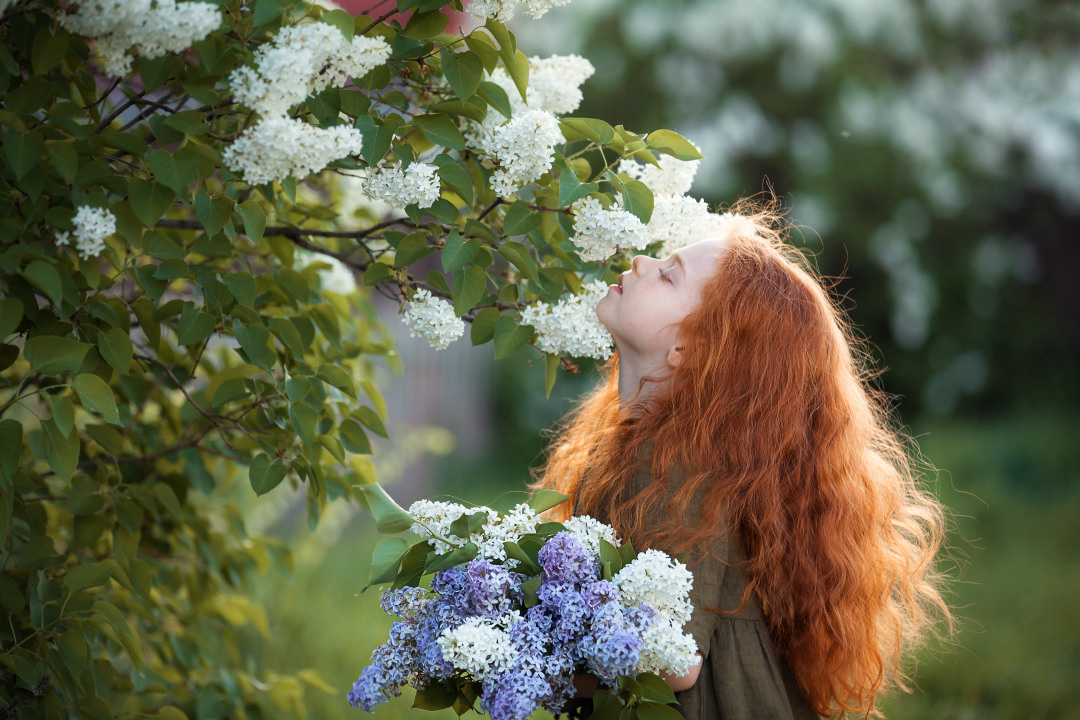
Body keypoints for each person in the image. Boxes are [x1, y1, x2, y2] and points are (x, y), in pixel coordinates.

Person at [536, 200, 951, 719]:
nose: (642, 263)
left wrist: (525, 647)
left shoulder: (673, 466)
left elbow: (673, 662)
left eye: (668, 276)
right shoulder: (640, 448)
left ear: (691, 349)